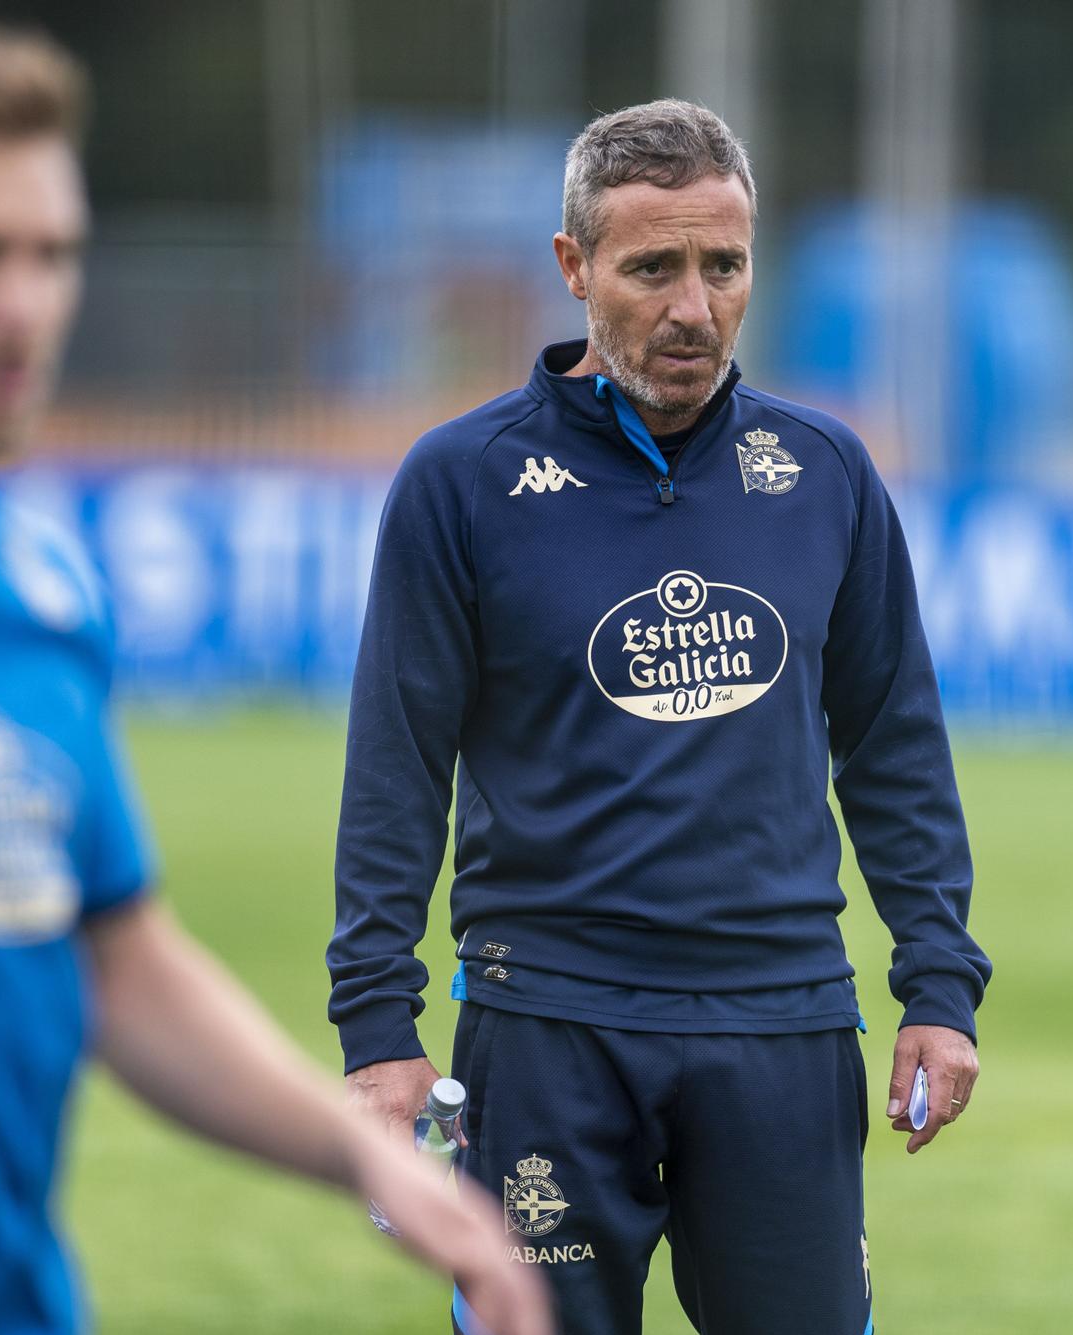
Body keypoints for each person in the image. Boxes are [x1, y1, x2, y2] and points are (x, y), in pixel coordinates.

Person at [0, 21, 549, 1335]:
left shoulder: (42, 591)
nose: (22, 304)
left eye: (52, 255)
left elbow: (119, 953)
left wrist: (368, 1153)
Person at [330, 99, 991, 1334]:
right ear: (573, 267)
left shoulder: (828, 475)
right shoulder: (460, 484)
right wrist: (379, 1030)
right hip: (545, 1032)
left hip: (782, 1026)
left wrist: (939, 990)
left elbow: (895, 746)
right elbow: (396, 767)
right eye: (652, 268)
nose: (693, 308)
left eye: (722, 266)